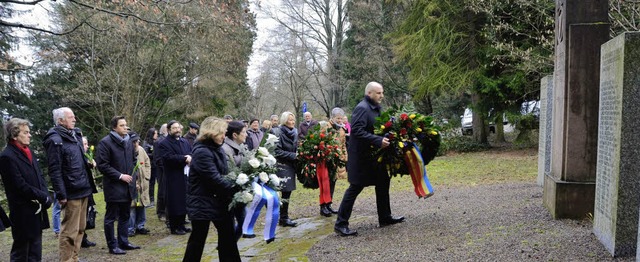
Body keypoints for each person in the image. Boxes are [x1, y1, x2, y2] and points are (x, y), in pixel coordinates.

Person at [334, 82, 404, 237]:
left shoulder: (375, 108)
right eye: (378, 93)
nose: (381, 95)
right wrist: (378, 140)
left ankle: (385, 217)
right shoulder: (362, 108)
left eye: (382, 92)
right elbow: (357, 131)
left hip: (375, 157)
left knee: (383, 183)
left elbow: (377, 128)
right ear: (369, 93)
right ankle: (340, 224)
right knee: (354, 189)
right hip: (361, 158)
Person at [183, 117, 240, 262]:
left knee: (228, 238)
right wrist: (237, 188)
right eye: (221, 133)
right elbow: (214, 179)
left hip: (218, 200)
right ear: (212, 132)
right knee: (197, 240)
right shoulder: (202, 152)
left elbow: (224, 174)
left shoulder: (216, 148)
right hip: (202, 202)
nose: (224, 136)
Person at [43, 107, 97, 261]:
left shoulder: (75, 134)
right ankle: (66, 260)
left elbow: (77, 160)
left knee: (80, 229)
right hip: (71, 191)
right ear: (60, 120)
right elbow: (55, 169)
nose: (74, 119)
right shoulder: (54, 139)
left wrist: (88, 163)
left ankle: (74, 258)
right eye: (71, 117)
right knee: (69, 232)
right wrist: (61, 194)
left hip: (83, 188)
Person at [0, 118, 52, 261]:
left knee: (36, 249)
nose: (30, 135)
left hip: (36, 208)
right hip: (22, 211)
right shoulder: (7, 157)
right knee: (22, 251)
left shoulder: (28, 151)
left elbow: (39, 175)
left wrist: (46, 195)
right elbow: (19, 185)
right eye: (26, 132)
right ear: (15, 135)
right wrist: (42, 196)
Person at [96, 116, 140, 255]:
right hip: (114, 187)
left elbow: (134, 161)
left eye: (126, 125)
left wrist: (135, 177)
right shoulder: (105, 143)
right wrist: (120, 176)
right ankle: (112, 245)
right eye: (122, 125)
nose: (125, 128)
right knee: (111, 217)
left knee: (125, 215)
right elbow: (102, 165)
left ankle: (124, 241)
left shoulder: (128, 142)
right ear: (114, 127)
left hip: (128, 187)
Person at [156, 120, 192, 235]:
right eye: (174, 128)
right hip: (173, 176)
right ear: (169, 130)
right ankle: (174, 226)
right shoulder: (164, 143)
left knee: (183, 200)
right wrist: (184, 159)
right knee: (174, 202)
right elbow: (167, 158)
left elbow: (190, 153)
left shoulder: (184, 141)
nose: (177, 130)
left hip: (184, 175)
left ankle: (182, 224)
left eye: (178, 128)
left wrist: (190, 158)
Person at [221, 121, 248, 241]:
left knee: (245, 222)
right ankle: (228, 246)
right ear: (235, 135)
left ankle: (229, 245)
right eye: (244, 132)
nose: (246, 135)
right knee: (230, 225)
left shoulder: (241, 146)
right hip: (229, 193)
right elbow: (227, 172)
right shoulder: (225, 149)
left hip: (239, 191)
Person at [273, 111, 298, 227]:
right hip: (281, 165)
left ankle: (283, 217)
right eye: (289, 120)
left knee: (287, 193)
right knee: (285, 191)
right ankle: (283, 218)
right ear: (284, 121)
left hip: (291, 165)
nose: (292, 122)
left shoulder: (295, 132)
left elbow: (295, 146)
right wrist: (293, 155)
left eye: (293, 120)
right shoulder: (278, 132)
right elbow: (277, 151)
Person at [128, 132, 151, 237]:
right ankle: (130, 228)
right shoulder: (127, 151)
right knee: (132, 206)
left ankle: (140, 226)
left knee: (142, 204)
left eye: (137, 141)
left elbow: (147, 162)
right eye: (134, 142)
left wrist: (146, 175)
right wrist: (134, 182)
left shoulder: (141, 150)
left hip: (143, 182)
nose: (136, 143)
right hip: (133, 183)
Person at [80, 137, 97, 249]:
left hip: (88, 189)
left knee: (87, 213)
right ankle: (80, 239)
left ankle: (84, 237)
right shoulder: (79, 158)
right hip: (81, 190)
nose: (86, 146)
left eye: (87, 143)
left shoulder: (86, 157)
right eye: (84, 144)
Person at [142, 128, 157, 205]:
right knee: (149, 182)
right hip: (149, 166)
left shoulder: (155, 142)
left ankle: (152, 199)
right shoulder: (146, 143)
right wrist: (154, 154)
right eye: (155, 134)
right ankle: (148, 199)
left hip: (155, 165)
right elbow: (145, 154)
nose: (157, 135)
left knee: (153, 183)